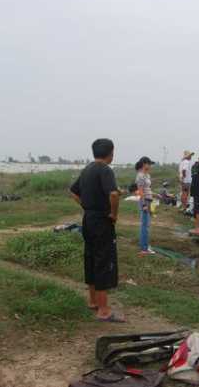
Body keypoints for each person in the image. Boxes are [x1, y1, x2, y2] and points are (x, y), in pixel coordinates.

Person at [69, 138, 124, 323]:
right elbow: (114, 194)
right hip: (102, 221)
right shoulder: (105, 170)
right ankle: (104, 310)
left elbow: (74, 192)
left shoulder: (88, 169)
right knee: (102, 260)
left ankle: (93, 301)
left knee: (91, 258)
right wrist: (113, 214)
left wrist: (87, 206)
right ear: (111, 153)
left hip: (88, 219)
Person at [135, 156, 156, 256]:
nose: (150, 166)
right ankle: (144, 248)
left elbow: (147, 189)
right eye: (149, 164)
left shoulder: (147, 175)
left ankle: (145, 245)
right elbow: (140, 191)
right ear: (144, 164)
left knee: (146, 225)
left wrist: (155, 194)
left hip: (148, 200)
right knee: (145, 225)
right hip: (144, 201)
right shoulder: (140, 175)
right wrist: (143, 204)